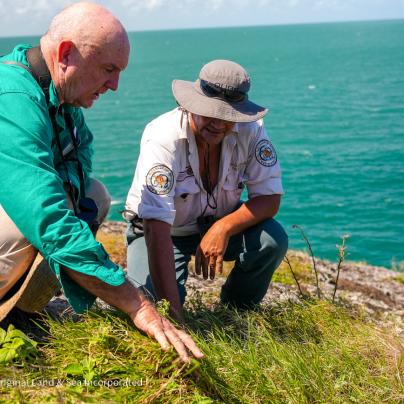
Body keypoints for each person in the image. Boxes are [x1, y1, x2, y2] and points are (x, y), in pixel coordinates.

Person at [0, 2, 203, 363]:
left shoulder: (62, 99)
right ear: (65, 54)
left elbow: (80, 164)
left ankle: (19, 313)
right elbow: (47, 218)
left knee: (92, 195)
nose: (114, 85)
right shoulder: (14, 99)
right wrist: (135, 304)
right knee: (27, 227)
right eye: (108, 69)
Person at [124, 59, 288, 322]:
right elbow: (155, 224)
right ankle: (174, 316)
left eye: (228, 116)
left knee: (273, 240)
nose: (219, 124)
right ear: (190, 105)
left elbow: (269, 199)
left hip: (221, 221)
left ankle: (236, 311)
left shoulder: (252, 130)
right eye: (210, 112)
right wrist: (175, 319)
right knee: (154, 305)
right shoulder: (162, 137)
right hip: (163, 231)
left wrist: (222, 228)